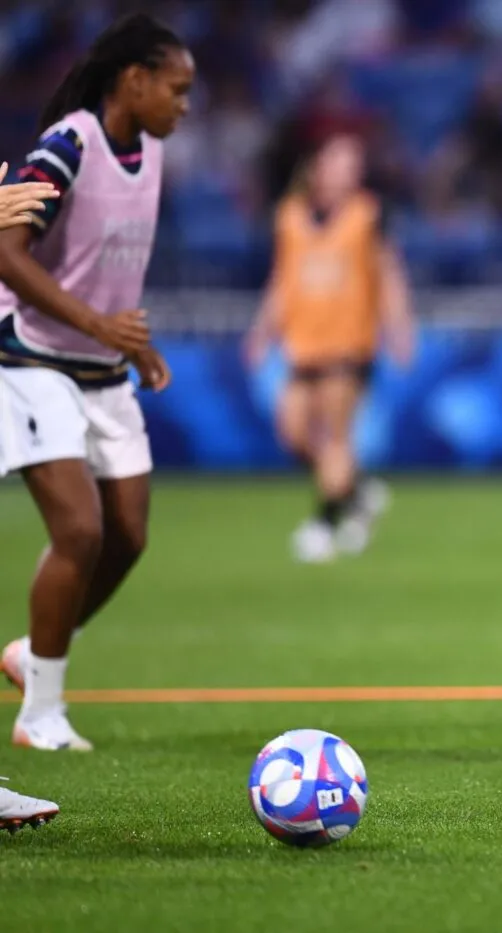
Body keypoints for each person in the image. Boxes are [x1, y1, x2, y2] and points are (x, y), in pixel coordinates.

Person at [0, 13, 194, 752]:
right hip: (33, 356)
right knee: (79, 530)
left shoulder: (152, 152)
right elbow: (7, 252)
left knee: (128, 535)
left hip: (103, 364)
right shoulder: (69, 145)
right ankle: (40, 713)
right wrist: (98, 325)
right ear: (133, 81)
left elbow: (107, 266)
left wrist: (133, 345)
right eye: (176, 89)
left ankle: (34, 650)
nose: (184, 105)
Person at [245, 133, 414, 563]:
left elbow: (388, 273)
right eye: (340, 163)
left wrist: (398, 328)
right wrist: (262, 331)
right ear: (318, 167)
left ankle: (324, 522)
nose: (349, 173)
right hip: (302, 344)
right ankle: (358, 490)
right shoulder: (289, 216)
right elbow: (282, 279)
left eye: (354, 165)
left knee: (336, 436)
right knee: (294, 433)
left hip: (348, 344)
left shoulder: (368, 215)